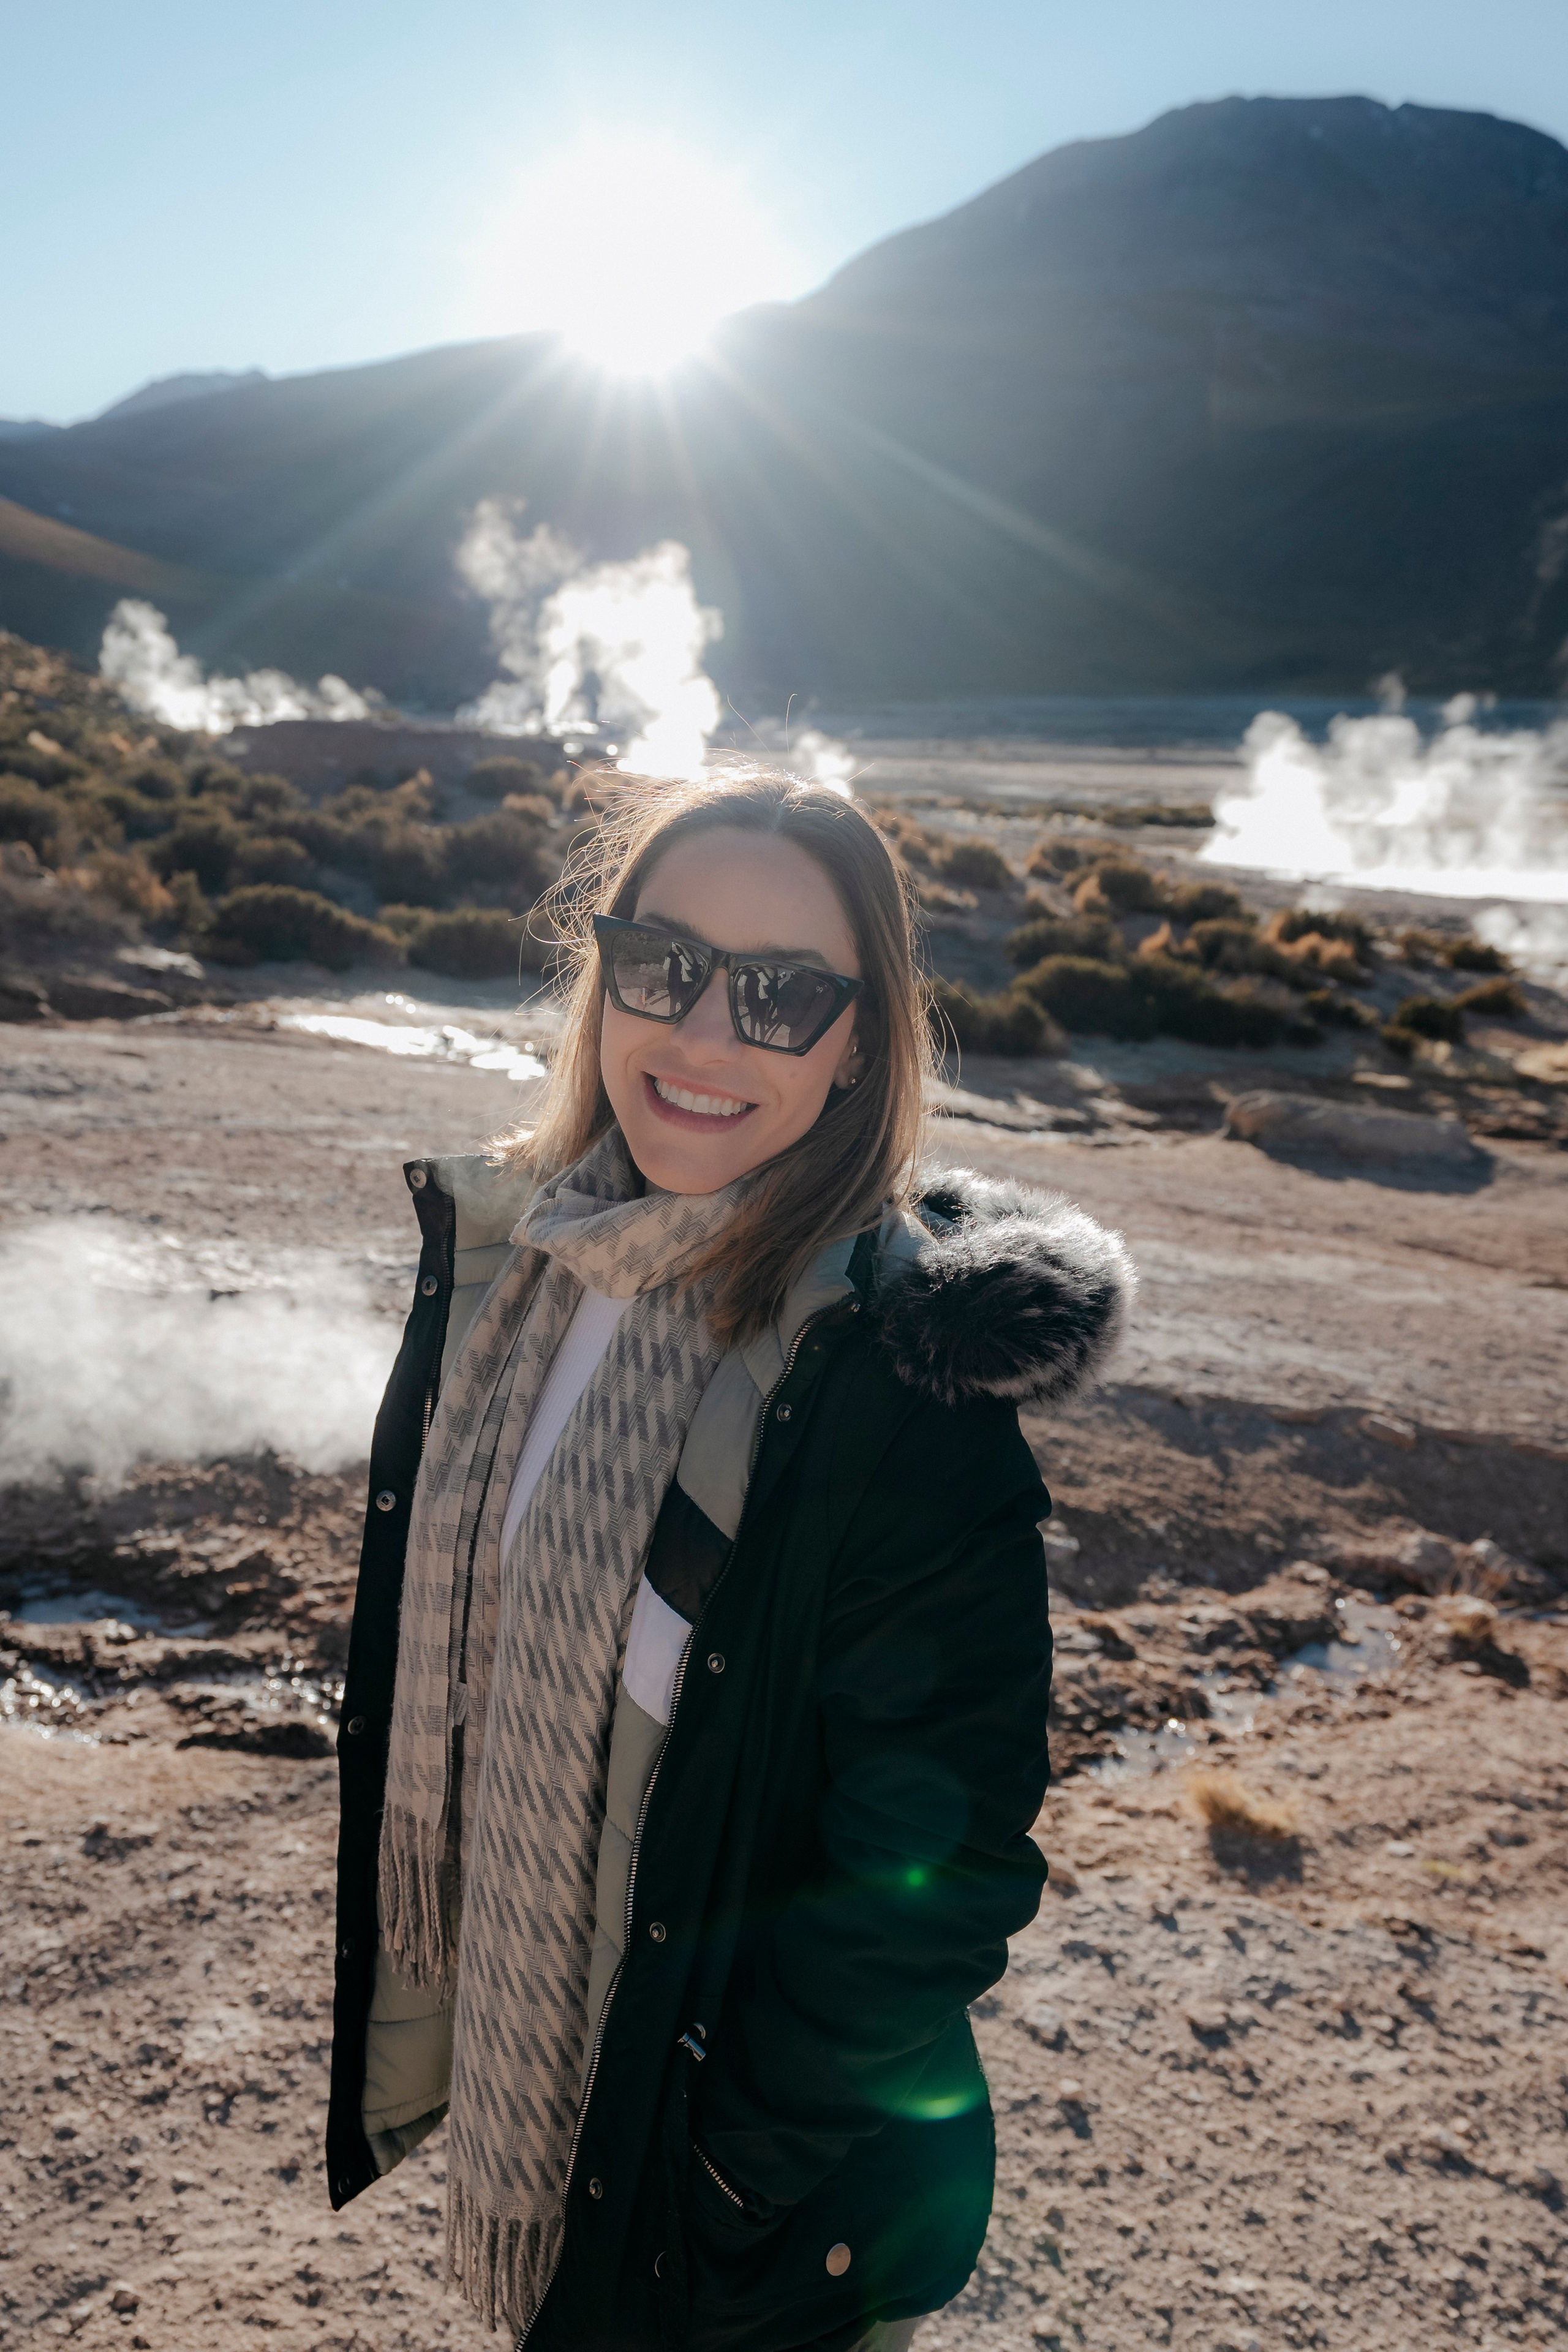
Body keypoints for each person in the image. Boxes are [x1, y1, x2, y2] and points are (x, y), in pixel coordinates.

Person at [325, 766, 1134, 2352]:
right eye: (664, 966)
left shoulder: (897, 1403)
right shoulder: (532, 1273)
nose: (701, 1036)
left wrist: (726, 2158)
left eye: (779, 997)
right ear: (604, 977)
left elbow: (937, 1880)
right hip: (548, 2112)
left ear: (857, 1047)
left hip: (730, 2225)